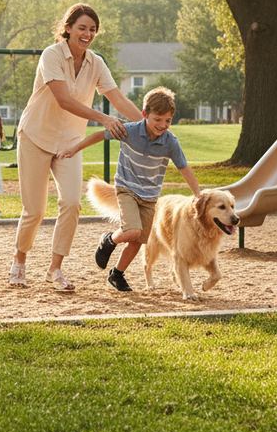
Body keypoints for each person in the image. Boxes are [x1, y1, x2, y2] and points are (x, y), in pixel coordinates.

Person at [7, 3, 143, 292]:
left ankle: (55, 269)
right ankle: (19, 260)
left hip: (69, 142)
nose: (88, 33)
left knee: (71, 202)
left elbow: (116, 97)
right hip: (35, 136)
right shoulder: (51, 55)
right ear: (68, 28)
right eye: (82, 27)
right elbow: (64, 100)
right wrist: (103, 119)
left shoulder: (96, 62)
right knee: (35, 210)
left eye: (92, 29)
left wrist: (147, 123)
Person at [58, 86, 200, 292]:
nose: (162, 125)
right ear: (145, 115)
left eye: (167, 121)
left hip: (150, 196)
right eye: (157, 119)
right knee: (132, 230)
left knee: (138, 241)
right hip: (127, 189)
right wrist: (74, 149)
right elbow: (99, 136)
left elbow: (183, 167)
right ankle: (108, 240)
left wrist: (197, 193)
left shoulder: (170, 142)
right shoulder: (129, 130)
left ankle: (117, 274)